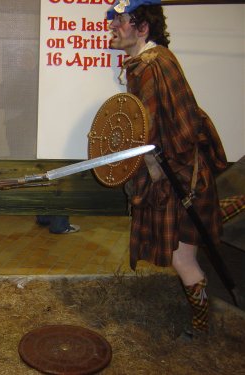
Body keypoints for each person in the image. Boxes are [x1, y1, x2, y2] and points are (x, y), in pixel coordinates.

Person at [107, 0, 227, 339]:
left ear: (143, 28)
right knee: (186, 250)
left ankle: (202, 327)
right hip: (179, 173)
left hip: (181, 179)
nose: (113, 27)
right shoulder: (151, 62)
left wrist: (149, 171)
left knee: (183, 259)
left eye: (121, 21)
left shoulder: (152, 65)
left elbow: (153, 129)